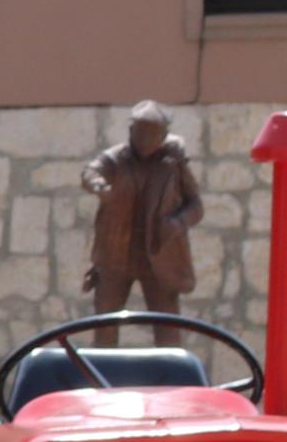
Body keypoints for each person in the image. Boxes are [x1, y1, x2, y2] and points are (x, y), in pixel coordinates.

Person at [83, 101, 201, 314]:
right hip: (115, 253)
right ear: (130, 131)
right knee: (105, 319)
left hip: (159, 254)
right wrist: (98, 185)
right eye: (140, 132)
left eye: (152, 134)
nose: (145, 139)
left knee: (166, 323)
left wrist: (177, 222)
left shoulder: (174, 163)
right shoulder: (117, 158)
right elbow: (91, 171)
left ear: (163, 136)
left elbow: (196, 206)